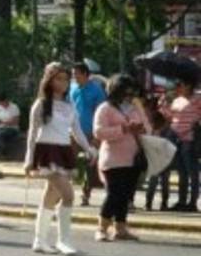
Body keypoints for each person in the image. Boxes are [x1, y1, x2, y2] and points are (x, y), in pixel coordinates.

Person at [24, 62, 95, 255]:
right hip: (46, 151)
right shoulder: (41, 104)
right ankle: (63, 240)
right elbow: (32, 133)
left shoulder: (69, 105)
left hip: (64, 151)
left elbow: (77, 130)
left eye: (66, 79)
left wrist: (88, 149)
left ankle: (39, 240)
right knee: (68, 195)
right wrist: (29, 159)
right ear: (49, 80)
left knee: (51, 194)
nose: (63, 83)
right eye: (59, 79)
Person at [92, 74, 148, 243]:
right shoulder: (105, 108)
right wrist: (123, 129)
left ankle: (120, 228)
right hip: (112, 160)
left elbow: (148, 128)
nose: (130, 96)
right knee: (114, 195)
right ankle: (101, 228)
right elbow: (99, 132)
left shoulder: (135, 108)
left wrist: (141, 127)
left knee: (125, 195)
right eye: (127, 92)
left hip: (133, 159)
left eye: (133, 92)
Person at [69, 63, 106, 206]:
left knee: (89, 164)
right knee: (69, 162)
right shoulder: (72, 88)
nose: (74, 77)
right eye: (73, 74)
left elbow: (101, 112)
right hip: (73, 132)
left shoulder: (97, 90)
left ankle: (86, 194)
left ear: (85, 74)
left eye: (76, 74)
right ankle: (66, 192)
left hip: (90, 132)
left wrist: (97, 137)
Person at [163, 76, 200, 212]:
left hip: (189, 139)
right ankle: (182, 201)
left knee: (192, 172)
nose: (178, 88)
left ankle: (192, 202)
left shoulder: (198, 98)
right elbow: (170, 116)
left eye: (181, 85)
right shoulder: (177, 100)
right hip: (176, 139)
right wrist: (164, 105)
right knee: (181, 172)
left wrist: (195, 124)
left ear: (189, 86)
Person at [144, 108, 179, 212]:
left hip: (158, 161)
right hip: (162, 161)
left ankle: (152, 203)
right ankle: (160, 203)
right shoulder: (167, 131)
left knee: (157, 182)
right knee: (162, 183)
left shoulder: (159, 131)